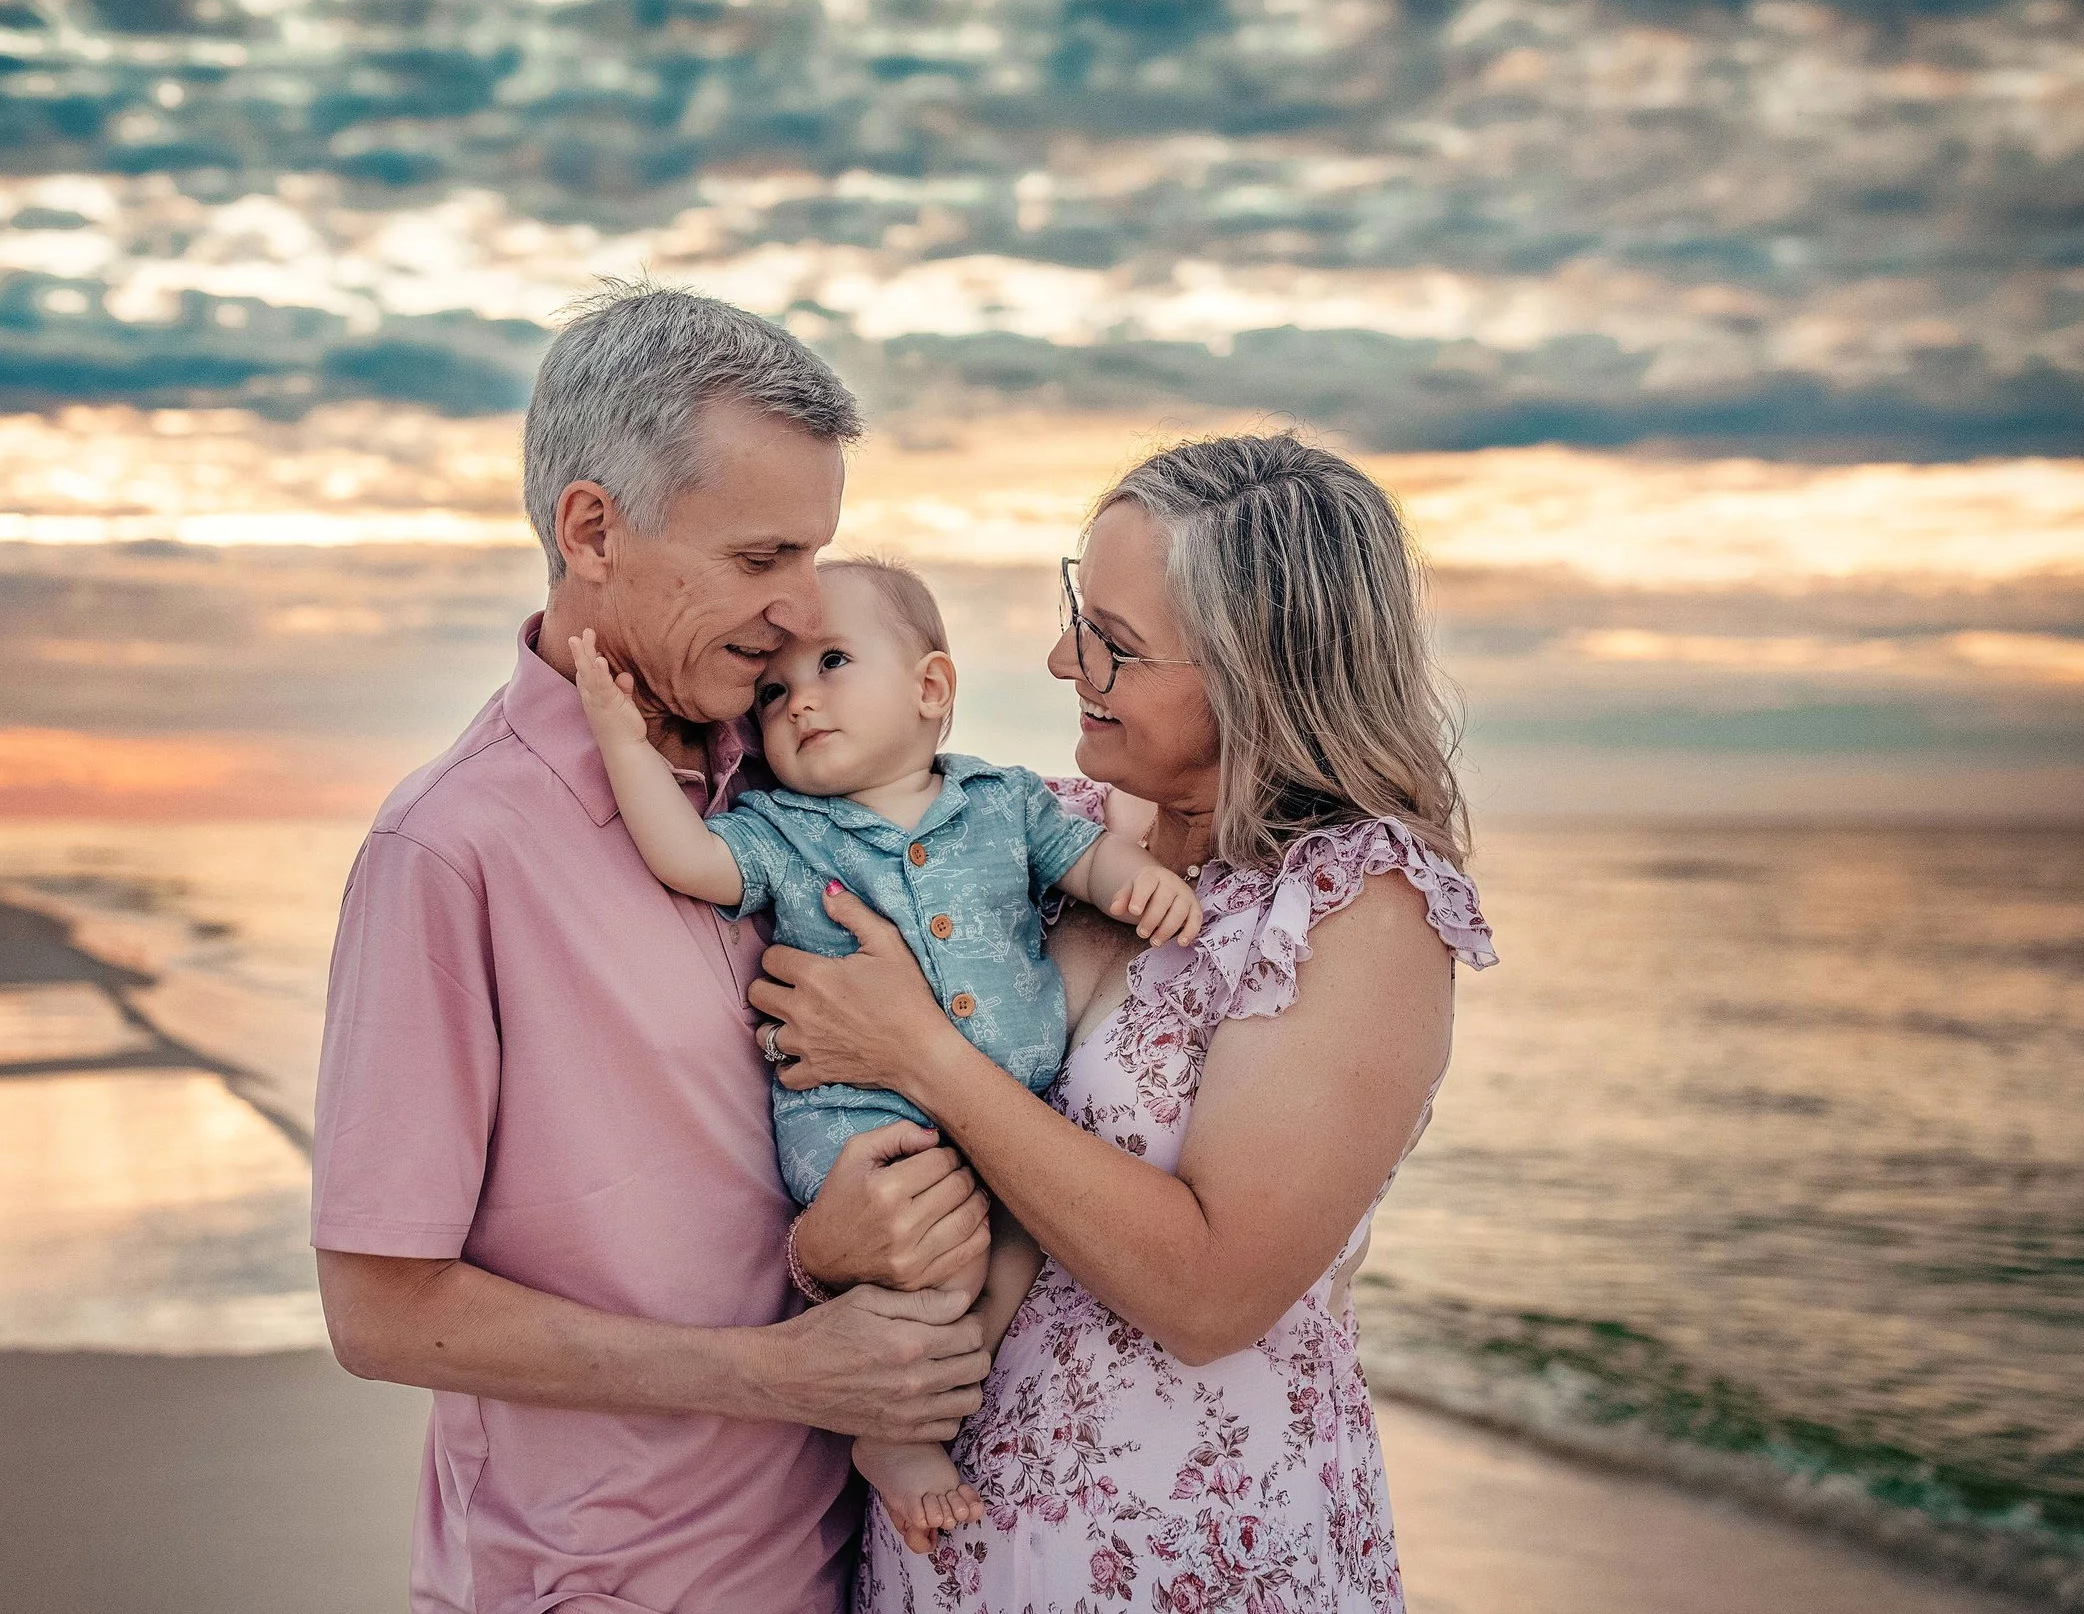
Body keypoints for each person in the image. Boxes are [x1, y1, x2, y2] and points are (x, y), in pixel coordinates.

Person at [310, 285, 996, 1614]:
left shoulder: (796, 792)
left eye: (816, 559)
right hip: (608, 1586)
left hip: (856, 1564)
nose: (801, 614)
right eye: (760, 560)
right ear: (592, 531)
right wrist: (780, 1374)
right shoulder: (450, 850)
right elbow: (381, 1312)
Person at [744, 433, 1500, 1610]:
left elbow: (1211, 1293)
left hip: (1187, 1553)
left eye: (1114, 642)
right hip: (945, 1541)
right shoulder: (1035, 829)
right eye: (1074, 609)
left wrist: (925, 1057)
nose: (1061, 660)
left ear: (1262, 670)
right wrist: (826, 1248)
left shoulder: (1360, 903)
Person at [564, 555, 1201, 1552]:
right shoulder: (782, 828)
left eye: (831, 663)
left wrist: (1137, 885)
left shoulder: (1005, 799)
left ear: (930, 689)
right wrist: (618, 740)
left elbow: (1085, 862)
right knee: (937, 1269)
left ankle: (923, 1410)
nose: (798, 699)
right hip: (869, 1132)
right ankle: (893, 1437)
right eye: (772, 692)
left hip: (1004, 1114)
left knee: (1014, 1258)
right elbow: (685, 858)